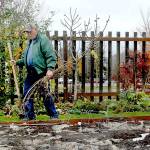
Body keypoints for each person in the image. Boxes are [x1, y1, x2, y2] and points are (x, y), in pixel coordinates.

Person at [15, 24, 58, 120]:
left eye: (30, 32)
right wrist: (17, 62)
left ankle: (54, 115)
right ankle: (29, 116)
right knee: (27, 94)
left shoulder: (43, 40)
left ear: (35, 30)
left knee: (45, 94)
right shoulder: (30, 43)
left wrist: (50, 69)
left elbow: (50, 55)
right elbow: (26, 59)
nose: (28, 34)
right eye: (27, 32)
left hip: (40, 72)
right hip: (31, 73)